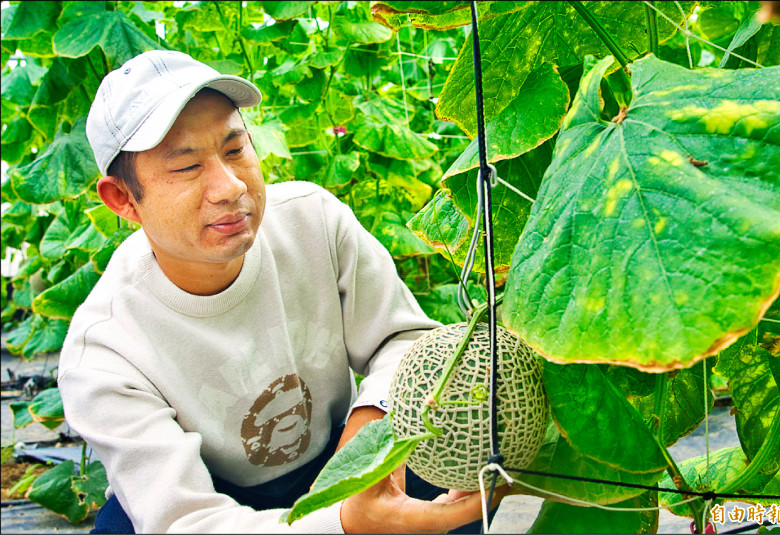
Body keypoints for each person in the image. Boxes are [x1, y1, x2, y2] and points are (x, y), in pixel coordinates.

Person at [57, 49, 502, 533]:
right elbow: (185, 521)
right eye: (186, 167)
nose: (229, 187)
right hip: (214, 495)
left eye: (234, 150)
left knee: (457, 453)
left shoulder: (313, 220)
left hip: (336, 448)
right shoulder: (103, 352)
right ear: (122, 199)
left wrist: (369, 431)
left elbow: (405, 339)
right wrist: (345, 523)